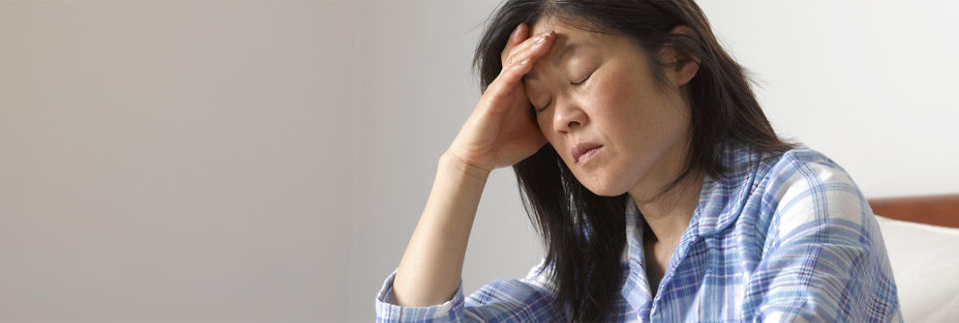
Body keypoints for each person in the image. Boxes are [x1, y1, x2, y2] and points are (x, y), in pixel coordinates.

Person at [375, 0, 902, 321]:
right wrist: (464, 165)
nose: (561, 119)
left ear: (678, 58)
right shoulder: (593, 258)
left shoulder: (805, 198)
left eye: (580, 77)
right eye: (540, 104)